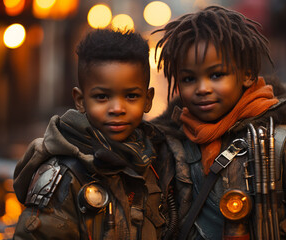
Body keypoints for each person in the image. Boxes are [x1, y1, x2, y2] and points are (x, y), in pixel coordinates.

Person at [152, 5, 286, 240]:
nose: (202, 88)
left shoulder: (283, 144)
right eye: (189, 78)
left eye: (216, 75)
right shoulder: (168, 145)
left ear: (247, 75)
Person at [12, 29, 178, 240]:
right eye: (102, 97)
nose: (117, 108)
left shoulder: (156, 162)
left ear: (148, 99)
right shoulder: (64, 175)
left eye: (131, 96)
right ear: (80, 100)